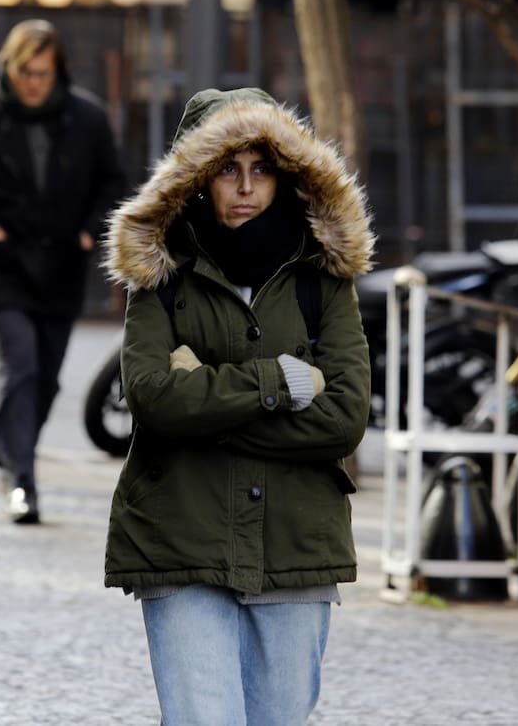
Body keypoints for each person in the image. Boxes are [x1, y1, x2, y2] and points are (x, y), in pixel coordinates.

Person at [102, 87, 375, 725]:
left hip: (295, 545)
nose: (246, 187)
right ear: (196, 179)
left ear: (286, 176)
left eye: (262, 169)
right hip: (181, 537)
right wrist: (279, 382)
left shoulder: (324, 277)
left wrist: (206, 404)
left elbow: (343, 418)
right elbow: (150, 397)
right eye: (227, 169)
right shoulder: (158, 277)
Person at [0, 19, 125, 524]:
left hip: (61, 266)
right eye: (24, 71)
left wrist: (87, 231)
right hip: (2, 265)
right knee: (21, 363)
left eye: (43, 72)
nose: (33, 82)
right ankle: (21, 479)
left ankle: (9, 445)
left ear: (58, 71)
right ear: (8, 68)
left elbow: (114, 183)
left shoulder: (88, 119)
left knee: (48, 375)